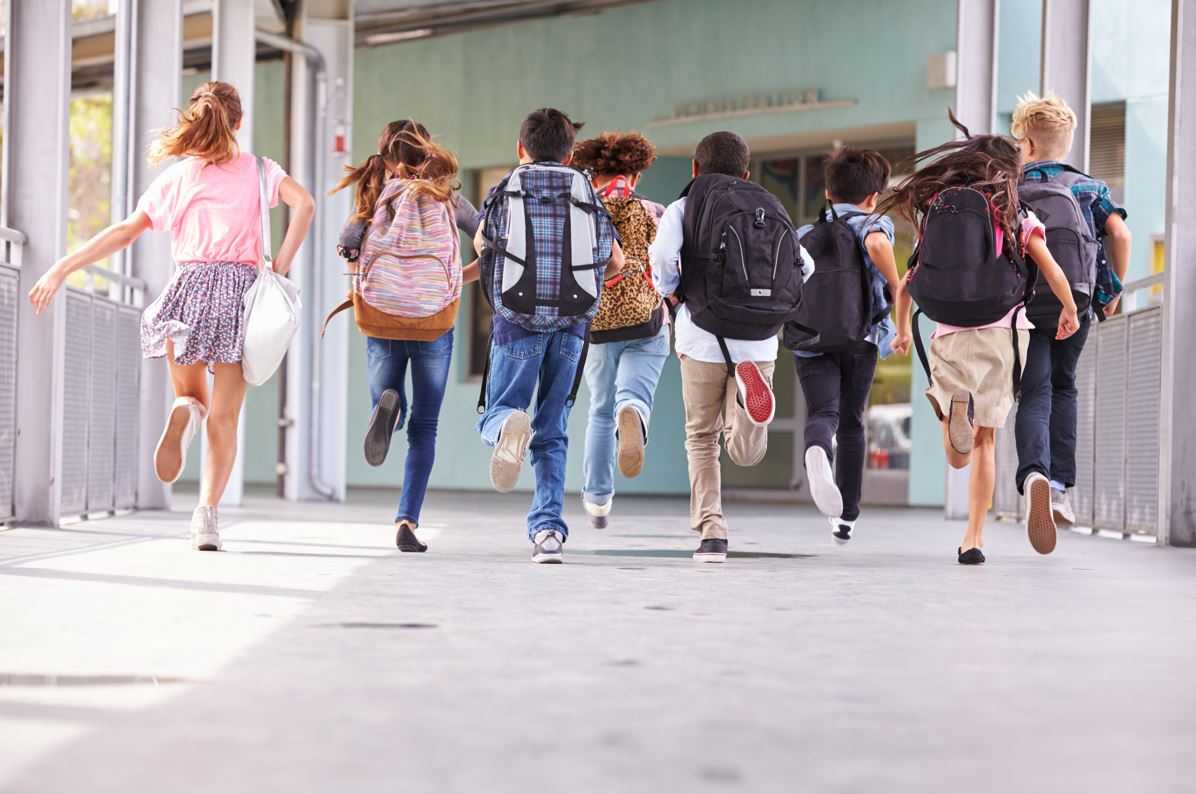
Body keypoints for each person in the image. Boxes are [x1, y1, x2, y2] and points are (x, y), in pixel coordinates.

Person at [28, 80, 315, 551]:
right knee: (224, 420)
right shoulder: (260, 170)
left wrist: (63, 265)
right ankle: (206, 517)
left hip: (186, 291)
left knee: (192, 399)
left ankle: (184, 411)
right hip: (239, 297)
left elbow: (125, 232)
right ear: (239, 123)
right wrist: (278, 267)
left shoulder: (181, 177)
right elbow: (303, 204)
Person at [884, 117, 1080, 565]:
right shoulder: (1015, 212)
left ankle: (958, 418)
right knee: (987, 441)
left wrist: (899, 332)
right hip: (1003, 331)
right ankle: (978, 535)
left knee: (959, 456)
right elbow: (1051, 269)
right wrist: (1068, 309)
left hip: (949, 332)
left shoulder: (938, 209)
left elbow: (905, 286)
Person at [650, 131, 814, 563]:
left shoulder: (684, 207)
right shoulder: (767, 205)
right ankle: (749, 409)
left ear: (694, 169)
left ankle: (712, 533)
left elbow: (662, 257)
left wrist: (670, 291)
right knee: (746, 452)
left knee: (702, 439)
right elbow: (805, 265)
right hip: (758, 343)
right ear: (746, 171)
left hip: (701, 336)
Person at [470, 108, 625, 563]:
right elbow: (613, 261)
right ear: (571, 152)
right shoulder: (585, 191)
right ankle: (548, 534)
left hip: (516, 320)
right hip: (573, 324)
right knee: (553, 428)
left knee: (497, 412)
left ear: (521, 150)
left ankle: (506, 427)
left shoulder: (507, 188)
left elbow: (482, 246)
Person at [329, 120, 473, 553]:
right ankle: (407, 519)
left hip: (383, 317)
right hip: (434, 320)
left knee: (387, 397)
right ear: (427, 153)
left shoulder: (374, 196)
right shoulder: (447, 195)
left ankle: (387, 406)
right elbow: (489, 239)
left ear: (387, 159)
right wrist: (455, 281)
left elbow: (349, 245)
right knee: (425, 429)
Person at [1009, 92, 1133, 537]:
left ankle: (1033, 475)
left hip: (1021, 304)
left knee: (1033, 390)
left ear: (1025, 143)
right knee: (1064, 387)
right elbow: (1120, 233)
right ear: (1064, 141)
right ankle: (1059, 487)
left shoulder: (1011, 188)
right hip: (1075, 303)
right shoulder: (1089, 187)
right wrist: (1113, 290)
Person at [793, 148, 903, 544]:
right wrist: (896, 285)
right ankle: (846, 517)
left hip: (811, 338)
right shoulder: (875, 222)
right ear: (874, 195)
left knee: (824, 413)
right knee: (854, 422)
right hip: (860, 337)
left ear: (826, 191)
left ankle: (818, 447)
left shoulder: (804, 234)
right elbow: (876, 247)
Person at [570, 131, 669, 529]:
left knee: (599, 410)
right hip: (645, 320)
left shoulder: (583, 211)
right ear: (637, 173)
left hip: (597, 325)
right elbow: (669, 268)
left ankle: (597, 499)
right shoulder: (652, 210)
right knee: (633, 395)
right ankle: (635, 412)